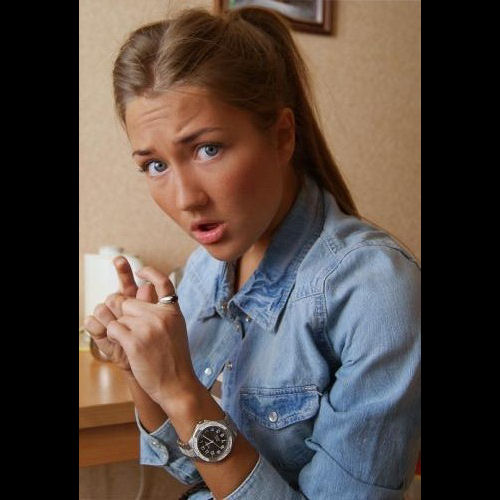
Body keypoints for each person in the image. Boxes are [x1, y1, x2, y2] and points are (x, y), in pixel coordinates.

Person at [84, 6, 421, 499]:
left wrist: (181, 391)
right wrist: (141, 371)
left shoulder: (376, 292)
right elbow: (193, 469)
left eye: (208, 149)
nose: (185, 199)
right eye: (155, 165)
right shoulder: (207, 267)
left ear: (282, 136)